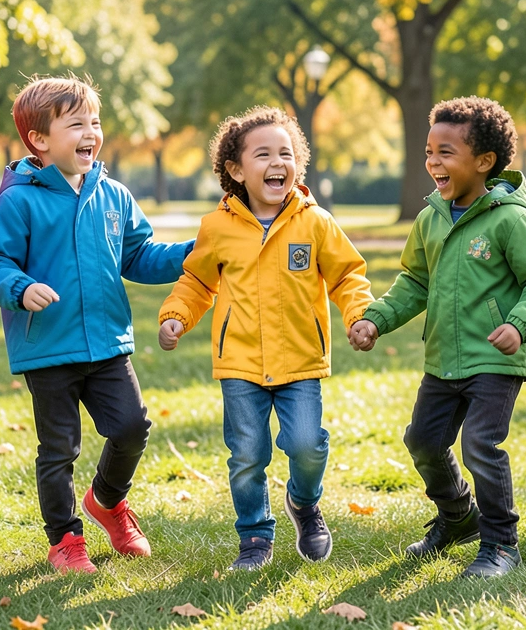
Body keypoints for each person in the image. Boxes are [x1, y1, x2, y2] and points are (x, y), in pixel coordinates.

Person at [0, 76, 192, 573]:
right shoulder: (21, 200)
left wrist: (190, 255)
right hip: (48, 347)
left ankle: (108, 501)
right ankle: (65, 539)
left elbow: (139, 256)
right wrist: (20, 288)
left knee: (132, 427)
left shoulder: (113, 195)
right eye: (76, 124)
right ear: (40, 140)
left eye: (94, 121)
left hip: (108, 343)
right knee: (59, 449)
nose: (90, 132)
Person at [351, 97, 526, 578]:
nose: (433, 162)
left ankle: (501, 543)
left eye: (446, 153)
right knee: (423, 440)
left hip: (495, 356)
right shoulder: (431, 218)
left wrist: (519, 324)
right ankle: (457, 516)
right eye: (429, 152)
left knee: (480, 444)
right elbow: (415, 281)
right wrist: (376, 319)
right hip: (444, 356)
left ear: (484, 161)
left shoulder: (509, 217)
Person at [157, 107, 373, 571]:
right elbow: (197, 282)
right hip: (239, 363)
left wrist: (359, 315)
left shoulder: (315, 222)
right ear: (236, 170)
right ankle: (255, 536)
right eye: (264, 154)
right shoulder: (218, 227)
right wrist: (176, 316)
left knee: (307, 445)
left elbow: (347, 276)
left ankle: (304, 502)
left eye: (286, 153)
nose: (278, 162)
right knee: (247, 455)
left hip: (300, 360)